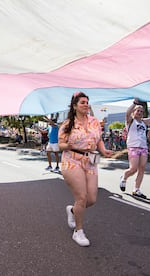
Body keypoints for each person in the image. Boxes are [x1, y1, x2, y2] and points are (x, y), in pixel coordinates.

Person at [58, 91, 113, 247]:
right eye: (82, 102)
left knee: (92, 199)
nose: (86, 104)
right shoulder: (68, 124)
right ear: (75, 106)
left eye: (87, 102)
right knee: (81, 197)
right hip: (72, 160)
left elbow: (99, 139)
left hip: (90, 161)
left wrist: (103, 150)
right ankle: (78, 231)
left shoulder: (94, 121)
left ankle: (73, 211)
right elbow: (60, 144)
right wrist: (67, 145)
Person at [119, 98, 150, 198]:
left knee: (142, 168)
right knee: (133, 169)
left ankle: (136, 189)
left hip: (143, 147)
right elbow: (127, 113)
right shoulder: (130, 121)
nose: (140, 113)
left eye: (142, 111)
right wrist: (134, 103)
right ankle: (124, 177)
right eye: (138, 111)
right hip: (133, 147)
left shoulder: (143, 122)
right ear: (134, 112)